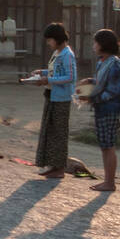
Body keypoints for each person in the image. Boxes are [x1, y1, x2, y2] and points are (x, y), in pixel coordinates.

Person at [79, 28, 120, 192]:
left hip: (109, 109)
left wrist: (91, 98)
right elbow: (103, 82)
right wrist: (91, 81)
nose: (93, 46)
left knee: (108, 146)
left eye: (96, 42)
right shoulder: (103, 62)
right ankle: (108, 181)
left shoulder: (114, 64)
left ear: (103, 45)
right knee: (104, 145)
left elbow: (112, 92)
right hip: (102, 108)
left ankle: (110, 182)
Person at [30, 23, 76, 179]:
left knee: (59, 133)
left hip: (61, 98)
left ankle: (59, 168)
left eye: (50, 40)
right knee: (50, 131)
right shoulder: (58, 53)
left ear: (57, 39)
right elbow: (55, 72)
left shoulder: (67, 54)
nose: (48, 43)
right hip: (51, 95)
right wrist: (42, 72)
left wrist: (47, 79)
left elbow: (70, 77)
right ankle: (52, 165)